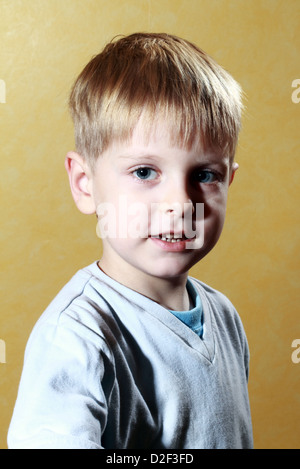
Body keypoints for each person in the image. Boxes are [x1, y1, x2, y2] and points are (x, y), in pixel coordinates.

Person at [8, 33, 253, 449]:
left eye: (204, 175)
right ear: (85, 184)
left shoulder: (225, 317)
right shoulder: (77, 338)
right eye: (144, 172)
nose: (179, 204)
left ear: (229, 180)